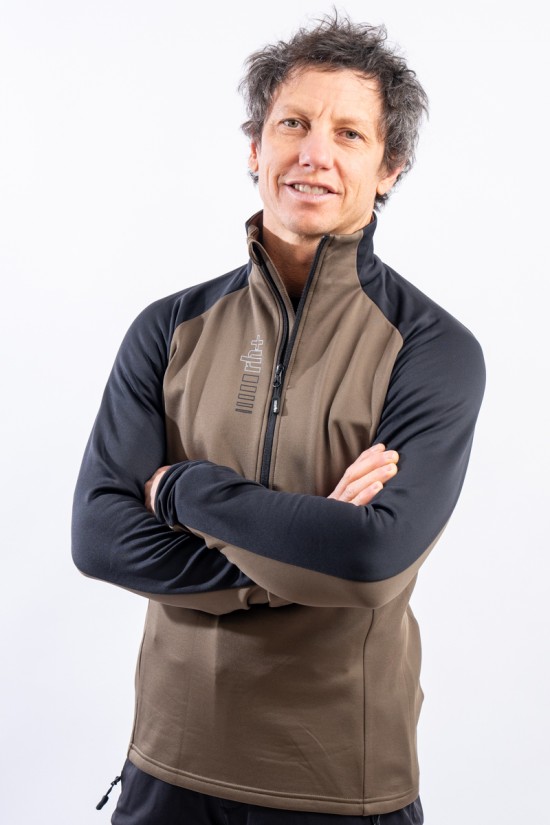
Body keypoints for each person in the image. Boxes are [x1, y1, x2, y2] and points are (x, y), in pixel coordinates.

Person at [72, 13, 485, 825]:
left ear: (390, 166)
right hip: (166, 763)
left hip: (340, 780)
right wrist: (304, 548)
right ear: (255, 148)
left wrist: (180, 490)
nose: (314, 154)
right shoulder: (169, 328)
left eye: (349, 133)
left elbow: (370, 559)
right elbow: (98, 536)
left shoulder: (432, 350)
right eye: (293, 123)